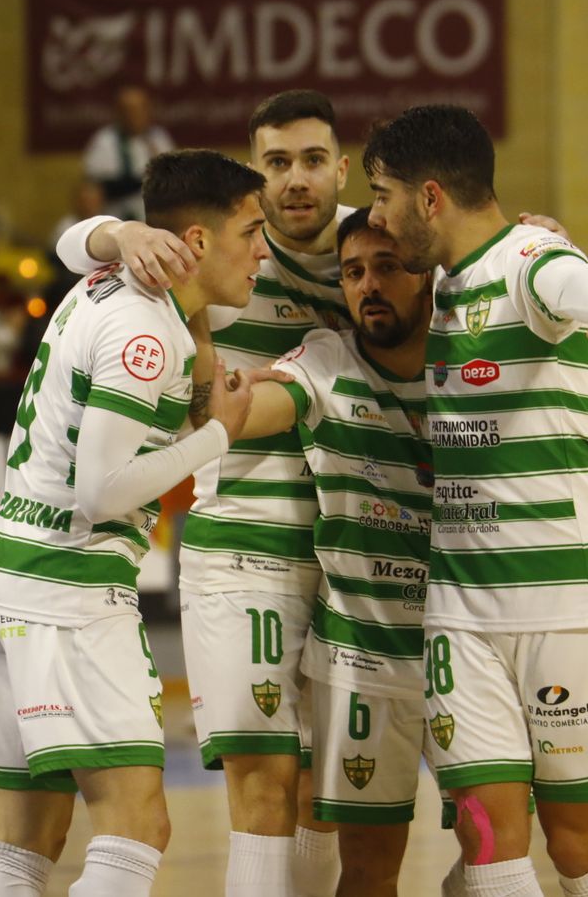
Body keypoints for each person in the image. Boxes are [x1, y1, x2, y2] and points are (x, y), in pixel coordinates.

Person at [59, 91, 354, 896]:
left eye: (313, 160)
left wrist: (541, 237)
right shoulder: (219, 246)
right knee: (262, 786)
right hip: (242, 539)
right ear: (254, 173)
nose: (295, 179)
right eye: (277, 163)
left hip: (356, 545)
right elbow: (73, 246)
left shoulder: (377, 246)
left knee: (328, 797)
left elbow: (478, 255)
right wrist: (118, 232)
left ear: (342, 168)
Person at [365, 104, 588, 897]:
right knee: (486, 831)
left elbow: (573, 280)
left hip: (569, 603)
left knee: (576, 840)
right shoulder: (444, 278)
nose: (377, 217)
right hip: (461, 607)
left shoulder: (533, 258)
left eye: (383, 196)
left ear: (429, 198)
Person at [0, 149, 263, 897]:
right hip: (70, 588)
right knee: (137, 827)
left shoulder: (110, 276)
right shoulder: (145, 333)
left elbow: (74, 242)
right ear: (197, 241)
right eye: (251, 233)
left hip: (7, 574)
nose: (263, 250)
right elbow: (101, 492)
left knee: (26, 839)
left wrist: (116, 231)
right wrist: (217, 435)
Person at [219, 208, 434, 896]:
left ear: (427, 274)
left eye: (387, 267)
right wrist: (214, 391)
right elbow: (254, 410)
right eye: (352, 272)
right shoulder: (326, 357)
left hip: (470, 644)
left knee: (500, 850)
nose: (368, 286)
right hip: (363, 654)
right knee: (369, 869)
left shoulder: (473, 357)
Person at [81, 85, 174, 220]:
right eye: (128, 110)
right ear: (118, 112)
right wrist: (146, 180)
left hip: (151, 220)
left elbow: (171, 182)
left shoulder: (159, 138)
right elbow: (98, 186)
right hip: (114, 218)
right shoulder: (105, 140)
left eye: (140, 109)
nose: (134, 115)